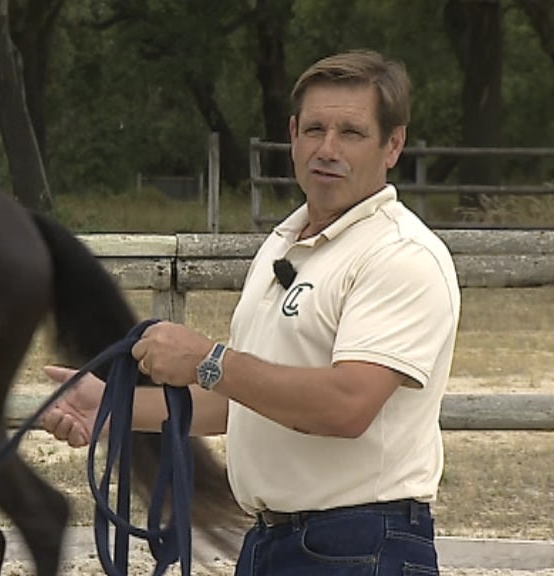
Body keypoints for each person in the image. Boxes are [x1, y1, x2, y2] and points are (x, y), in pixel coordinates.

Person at [41, 49, 460, 575]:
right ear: (292, 134)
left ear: (392, 143)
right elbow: (247, 403)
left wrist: (208, 360)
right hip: (273, 542)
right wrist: (111, 406)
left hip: (360, 545)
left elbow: (347, 406)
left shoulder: (400, 256)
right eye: (314, 130)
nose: (327, 149)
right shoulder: (286, 244)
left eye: (351, 133)